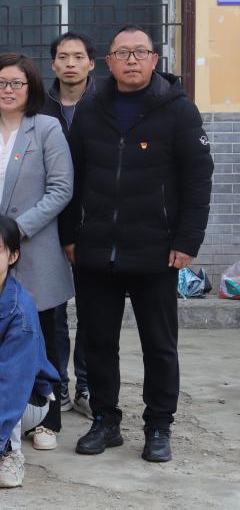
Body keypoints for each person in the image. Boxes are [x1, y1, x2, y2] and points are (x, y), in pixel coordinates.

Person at [61, 24, 213, 463]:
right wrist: (70, 235)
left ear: (154, 60)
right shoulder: (91, 110)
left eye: (140, 52)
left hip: (156, 250)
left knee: (159, 344)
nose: (131, 60)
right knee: (98, 341)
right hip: (96, 250)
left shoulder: (179, 111)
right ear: (108, 62)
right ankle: (105, 420)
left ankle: (159, 425)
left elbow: (198, 180)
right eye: (122, 53)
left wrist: (187, 241)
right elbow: (71, 177)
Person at [0, 53, 73, 450]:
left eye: (16, 83)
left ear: (30, 88)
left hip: (35, 245)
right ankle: (0, 415)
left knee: (44, 332)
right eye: (1, 82)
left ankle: (48, 419)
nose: (8, 90)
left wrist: (17, 230)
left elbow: (61, 189)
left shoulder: (45, 128)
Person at [0, 214, 61, 489]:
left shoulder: (20, 310)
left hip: (25, 399)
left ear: (13, 256)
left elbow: (11, 380)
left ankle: (10, 453)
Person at [40, 31, 98, 418]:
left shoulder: (106, 103)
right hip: (50, 220)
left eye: (78, 57)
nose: (71, 63)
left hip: (94, 221)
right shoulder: (40, 107)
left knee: (93, 308)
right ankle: (57, 382)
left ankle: (87, 384)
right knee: (54, 309)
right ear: (54, 64)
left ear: (91, 63)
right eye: (64, 57)